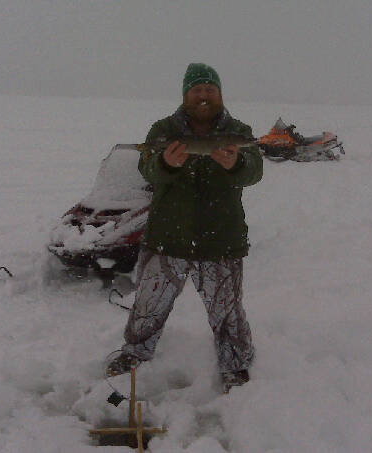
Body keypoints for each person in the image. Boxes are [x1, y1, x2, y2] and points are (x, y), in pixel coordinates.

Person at [107, 63, 263, 392]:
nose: (203, 95)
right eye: (197, 90)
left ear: (219, 94)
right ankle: (134, 354)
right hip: (167, 239)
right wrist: (165, 163)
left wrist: (235, 163)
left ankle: (235, 363)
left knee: (228, 312)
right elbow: (148, 170)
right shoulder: (163, 129)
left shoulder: (239, 130)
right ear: (186, 94)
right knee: (147, 308)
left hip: (220, 242)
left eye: (210, 89)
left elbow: (253, 171)